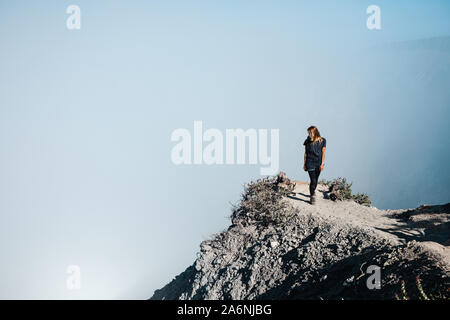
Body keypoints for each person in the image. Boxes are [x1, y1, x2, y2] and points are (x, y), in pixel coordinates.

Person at [303, 126, 326, 205]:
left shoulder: (322, 141)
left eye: (310, 133)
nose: (309, 134)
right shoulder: (307, 141)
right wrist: (304, 164)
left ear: (314, 132)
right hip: (309, 162)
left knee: (316, 180)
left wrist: (322, 164)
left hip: (318, 163)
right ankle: (312, 196)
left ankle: (312, 191)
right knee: (313, 180)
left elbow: (323, 153)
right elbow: (305, 153)